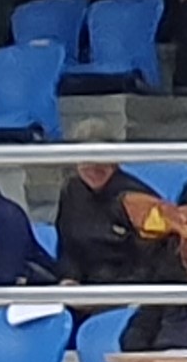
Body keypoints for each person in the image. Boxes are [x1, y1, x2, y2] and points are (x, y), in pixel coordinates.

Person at [54, 118, 175, 292]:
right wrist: (69, 279)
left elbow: (152, 265)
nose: (93, 167)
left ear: (115, 159)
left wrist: (102, 296)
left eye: (100, 159)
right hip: (80, 292)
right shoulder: (71, 192)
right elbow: (67, 249)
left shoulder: (137, 198)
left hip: (128, 294)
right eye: (85, 160)